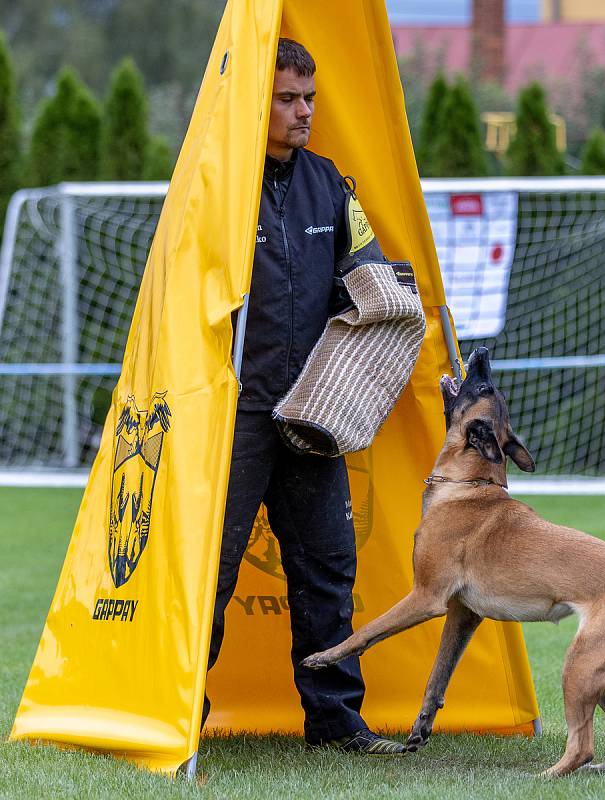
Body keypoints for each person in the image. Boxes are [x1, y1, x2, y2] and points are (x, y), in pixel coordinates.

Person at [202, 38, 405, 756]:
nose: (303, 112)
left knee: (328, 571)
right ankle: (178, 715)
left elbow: (370, 275)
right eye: (288, 99)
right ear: (260, 104)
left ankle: (338, 726)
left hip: (312, 415)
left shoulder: (332, 186)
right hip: (236, 417)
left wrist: (397, 312)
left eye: (310, 99)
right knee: (211, 572)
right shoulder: (217, 185)